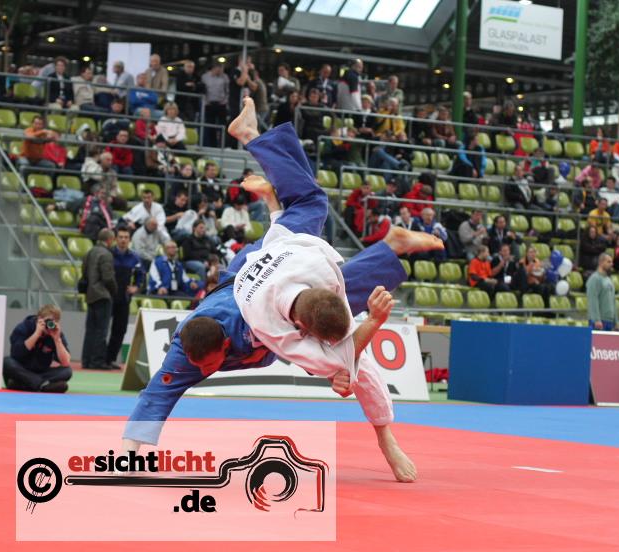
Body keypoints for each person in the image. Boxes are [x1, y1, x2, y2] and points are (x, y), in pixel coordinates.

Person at [124, 100, 443, 483]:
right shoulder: (187, 354)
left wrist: (352, 352)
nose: (203, 373)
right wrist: (128, 457)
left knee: (359, 364)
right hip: (266, 273)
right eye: (202, 368)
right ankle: (387, 244)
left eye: (207, 367)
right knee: (310, 204)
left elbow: (285, 254)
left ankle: (386, 439)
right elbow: (155, 395)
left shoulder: (266, 320)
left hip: (268, 270)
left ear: (225, 346)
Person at [3, 305, 72, 393]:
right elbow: (17, 353)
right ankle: (43, 385)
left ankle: (25, 385)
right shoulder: (24, 327)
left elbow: (66, 362)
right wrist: (36, 334)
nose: (49, 325)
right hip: (22, 370)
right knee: (7, 362)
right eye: (48, 321)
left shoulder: (55, 333)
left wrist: (57, 340)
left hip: (40, 372)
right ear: (39, 319)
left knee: (67, 371)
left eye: (53, 322)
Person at [107, 228, 144, 367]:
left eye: (126, 237)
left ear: (129, 240)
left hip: (124, 299)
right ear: (116, 239)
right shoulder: (109, 254)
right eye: (121, 237)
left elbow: (141, 275)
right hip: (108, 297)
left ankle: (109, 359)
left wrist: (136, 287)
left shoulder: (134, 257)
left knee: (120, 329)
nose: (123, 240)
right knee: (102, 330)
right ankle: (98, 359)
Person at [81, 229, 117, 370]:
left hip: (90, 294)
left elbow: (84, 274)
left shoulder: (89, 252)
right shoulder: (106, 254)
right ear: (109, 240)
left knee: (90, 330)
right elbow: (108, 277)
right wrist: (114, 290)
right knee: (101, 330)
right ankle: (97, 361)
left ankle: (86, 360)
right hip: (102, 295)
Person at [586, 254, 616, 330]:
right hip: (599, 321)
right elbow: (593, 300)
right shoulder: (594, 279)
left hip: (609, 321)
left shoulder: (609, 280)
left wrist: (615, 322)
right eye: (609, 262)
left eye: (612, 262)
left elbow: (613, 301)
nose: (611, 264)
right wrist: (596, 320)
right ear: (601, 263)